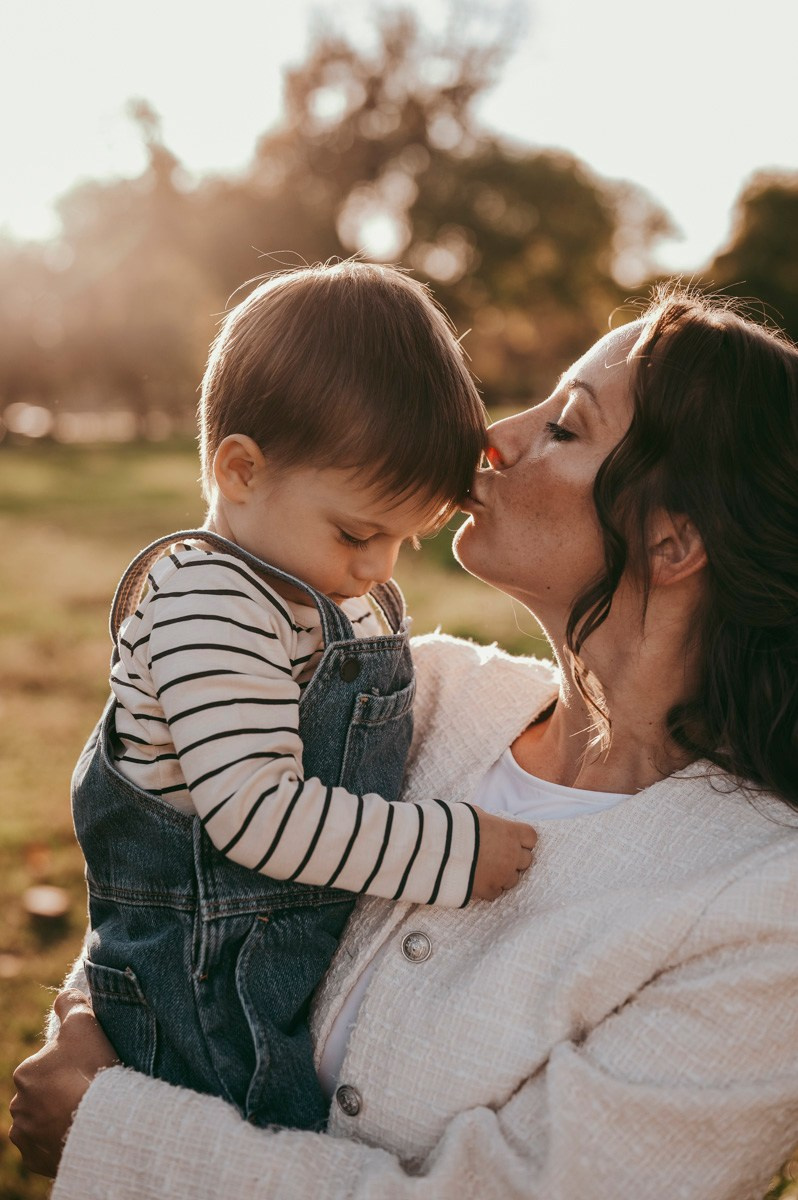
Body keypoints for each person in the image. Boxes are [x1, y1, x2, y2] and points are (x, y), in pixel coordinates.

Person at [11, 285, 798, 1199]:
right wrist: (89, 1018)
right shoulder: (420, 691)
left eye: (567, 427)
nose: (495, 436)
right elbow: (183, 868)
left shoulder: (763, 912)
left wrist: (117, 1132)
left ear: (672, 543)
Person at [66, 262, 537, 1130]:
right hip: (198, 994)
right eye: (359, 533)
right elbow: (253, 813)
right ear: (241, 470)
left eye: (403, 541)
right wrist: (451, 853)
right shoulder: (212, 603)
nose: (377, 568)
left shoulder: (301, 589)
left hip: (265, 970)